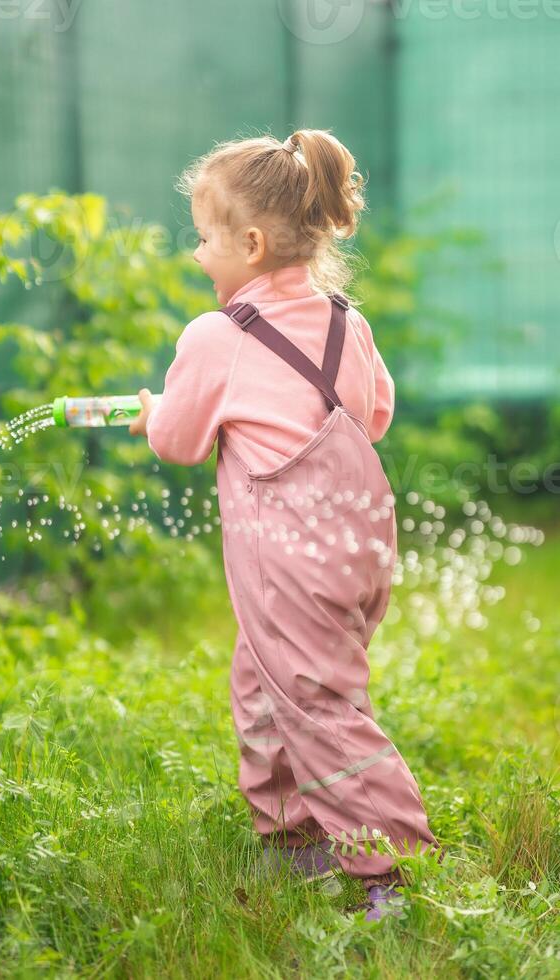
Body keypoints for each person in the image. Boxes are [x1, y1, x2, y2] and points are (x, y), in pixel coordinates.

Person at [129, 129, 444, 921]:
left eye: (203, 238)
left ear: (252, 242)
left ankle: (392, 873)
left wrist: (153, 414)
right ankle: (288, 835)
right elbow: (372, 416)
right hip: (360, 546)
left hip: (287, 561)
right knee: (265, 679)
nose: (198, 254)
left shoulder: (216, 337)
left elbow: (178, 441)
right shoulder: (347, 321)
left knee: (318, 703)